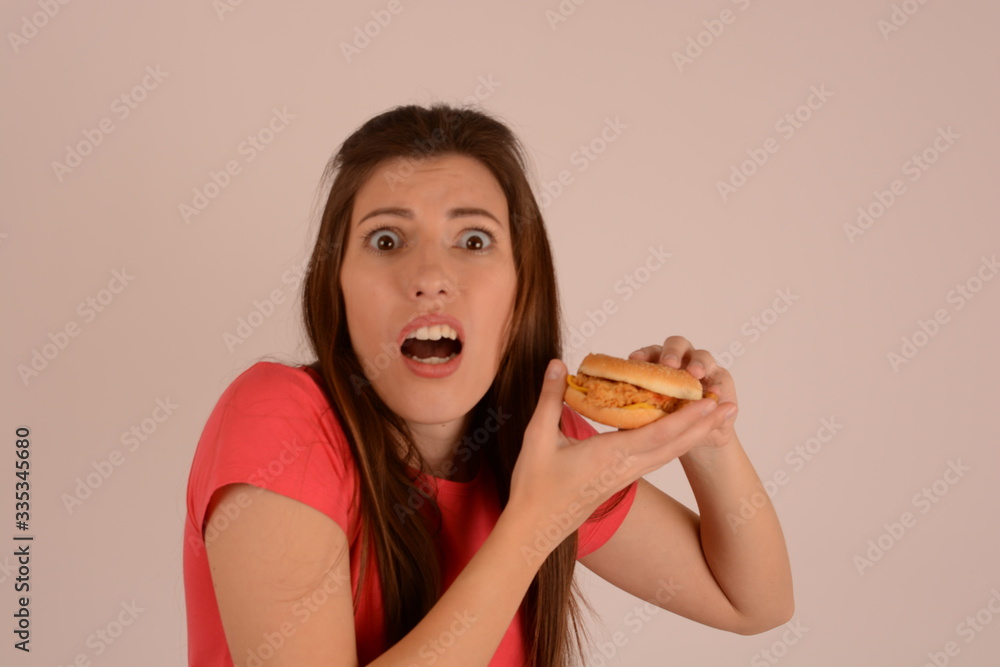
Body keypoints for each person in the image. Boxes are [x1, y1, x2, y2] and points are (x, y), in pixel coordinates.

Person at [182, 104, 794, 666]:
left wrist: (707, 434)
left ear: (520, 288)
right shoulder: (280, 419)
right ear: (336, 283)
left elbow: (753, 603)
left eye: (473, 240)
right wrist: (537, 521)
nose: (429, 276)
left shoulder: (531, 439)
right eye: (386, 240)